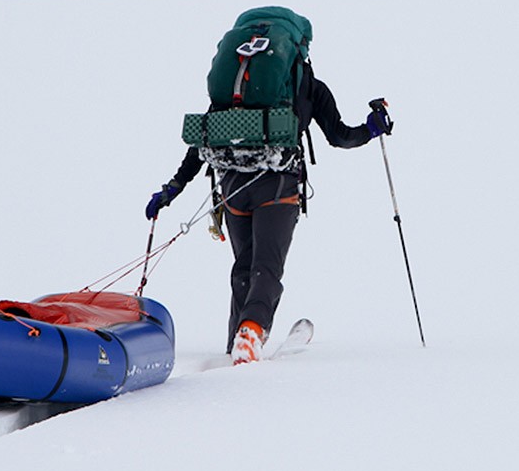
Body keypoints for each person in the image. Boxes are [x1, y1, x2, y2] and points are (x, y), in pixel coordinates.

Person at [145, 22, 393, 364]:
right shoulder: (308, 85)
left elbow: (203, 141)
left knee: (243, 268)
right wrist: (371, 128)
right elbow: (339, 136)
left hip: (232, 188)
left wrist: (171, 189)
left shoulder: (232, 90)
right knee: (266, 267)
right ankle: (250, 333)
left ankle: (237, 340)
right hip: (278, 188)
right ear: (300, 47)